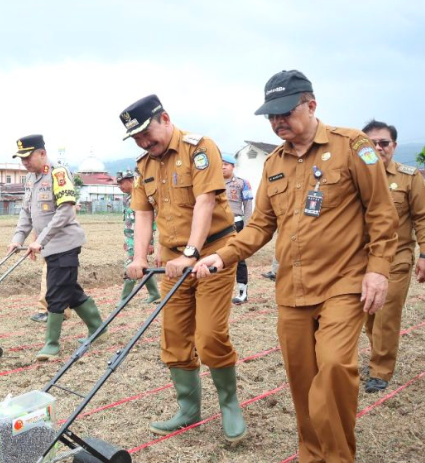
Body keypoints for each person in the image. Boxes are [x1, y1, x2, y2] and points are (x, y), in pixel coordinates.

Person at [193, 70, 397, 463]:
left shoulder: (352, 146)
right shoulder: (273, 163)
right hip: (292, 289)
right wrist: (222, 256)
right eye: (271, 116)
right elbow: (260, 226)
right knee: (302, 382)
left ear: (311, 105)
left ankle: (337, 458)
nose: (277, 121)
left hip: (344, 282)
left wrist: (379, 269)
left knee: (335, 367)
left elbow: (381, 212)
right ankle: (312, 455)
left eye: (285, 112)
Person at [121, 95, 247, 442]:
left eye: (148, 134)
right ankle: (188, 409)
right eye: (137, 139)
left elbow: (206, 201)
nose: (145, 143)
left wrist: (191, 253)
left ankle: (229, 405)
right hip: (173, 261)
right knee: (174, 337)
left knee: (209, 336)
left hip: (212, 254)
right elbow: (144, 212)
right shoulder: (144, 164)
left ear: (165, 118)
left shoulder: (200, 148)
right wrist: (140, 256)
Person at [7, 135, 105, 361]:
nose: (24, 163)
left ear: (42, 153)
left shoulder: (59, 175)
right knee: (70, 290)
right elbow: (26, 213)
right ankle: (99, 329)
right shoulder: (31, 180)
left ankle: (51, 344)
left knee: (55, 294)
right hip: (49, 247)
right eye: (21, 159)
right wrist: (17, 238)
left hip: (65, 244)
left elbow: (65, 212)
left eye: (27, 157)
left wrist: (41, 239)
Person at [361, 120, 425, 393]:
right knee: (369, 317)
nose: (378, 148)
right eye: (372, 143)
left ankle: (380, 370)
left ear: (394, 146)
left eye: (384, 143)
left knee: (385, 316)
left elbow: (422, 218)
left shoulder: (409, 176)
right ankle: (377, 355)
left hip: (396, 259)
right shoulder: (355, 175)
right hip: (360, 261)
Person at [117, 169, 161, 306]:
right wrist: (126, 240)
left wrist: (150, 243)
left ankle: (124, 299)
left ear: (131, 181)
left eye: (121, 183)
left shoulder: (142, 196)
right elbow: (129, 222)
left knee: (131, 266)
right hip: (131, 239)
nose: (119, 186)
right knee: (142, 266)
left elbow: (149, 221)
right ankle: (154, 294)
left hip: (142, 241)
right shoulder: (127, 198)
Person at [222, 154, 254, 304]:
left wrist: (247, 226)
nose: (222, 167)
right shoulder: (212, 182)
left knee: (238, 258)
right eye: (220, 164)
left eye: (226, 164)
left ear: (232, 166)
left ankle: (242, 292)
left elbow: (248, 207)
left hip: (237, 224)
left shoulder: (243, 183)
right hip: (217, 226)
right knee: (218, 257)